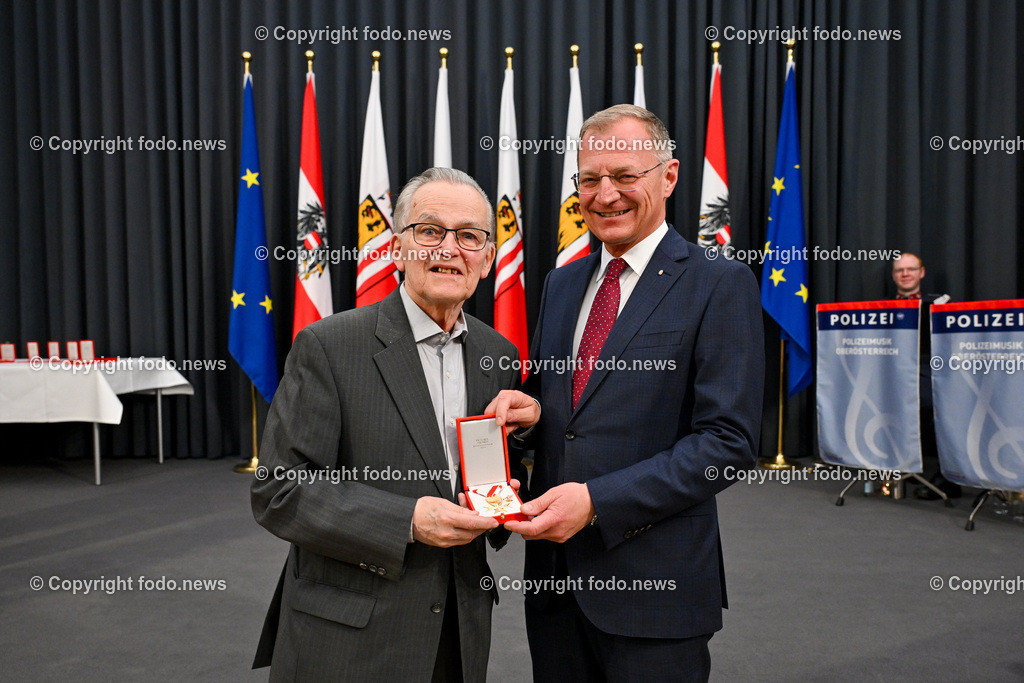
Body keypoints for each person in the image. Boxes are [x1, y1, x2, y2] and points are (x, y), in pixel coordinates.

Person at [491, 104, 764, 681]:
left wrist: (597, 502)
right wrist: (531, 414)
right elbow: (563, 411)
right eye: (589, 179)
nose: (605, 194)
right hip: (555, 587)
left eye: (624, 176)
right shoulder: (561, 283)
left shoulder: (720, 282)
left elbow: (728, 443)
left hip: (655, 591)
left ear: (668, 177)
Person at [250, 167, 540, 681]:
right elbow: (279, 490)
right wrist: (407, 520)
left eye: (469, 236)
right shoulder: (329, 346)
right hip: (350, 639)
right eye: (430, 231)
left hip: (459, 630)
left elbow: (486, 469)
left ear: (488, 258)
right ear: (397, 248)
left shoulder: (498, 353)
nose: (449, 248)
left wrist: (506, 480)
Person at [891, 252, 958, 500]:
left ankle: (948, 478)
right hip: (891, 374)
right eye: (900, 270)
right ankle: (895, 467)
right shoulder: (881, 309)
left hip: (932, 373)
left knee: (943, 406)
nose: (905, 274)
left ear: (922, 273)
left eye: (910, 269)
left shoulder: (940, 306)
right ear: (893, 275)